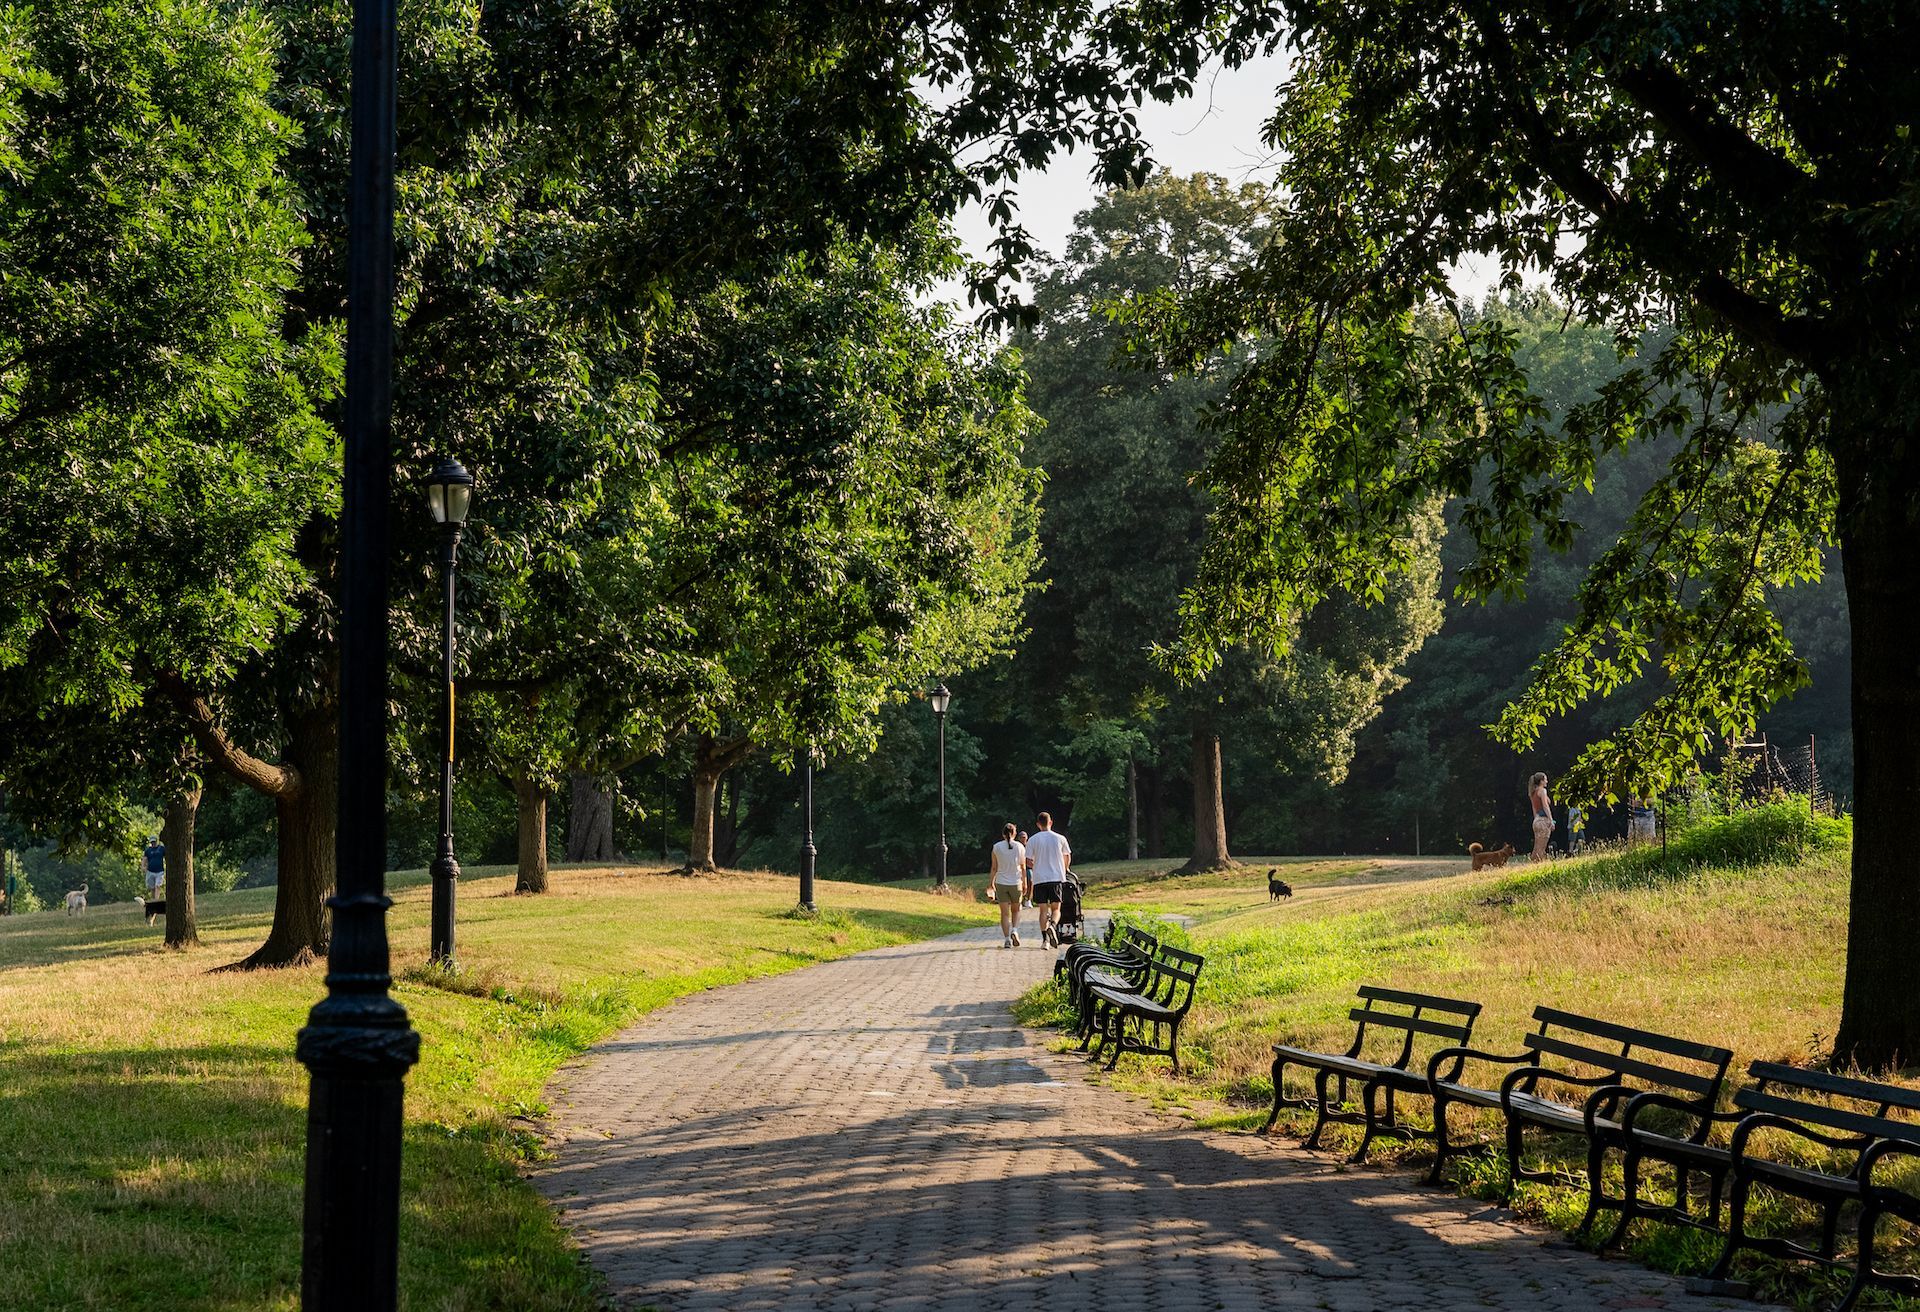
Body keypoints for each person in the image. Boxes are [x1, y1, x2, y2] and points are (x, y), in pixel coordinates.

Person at [1025, 811, 1072, 947]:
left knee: (1043, 911)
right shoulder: (1060, 838)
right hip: (1056, 877)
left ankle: (1045, 940)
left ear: (1038, 824)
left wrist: (1036, 866)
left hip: (1039, 879)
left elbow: (1028, 861)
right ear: (1050, 822)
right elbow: (1067, 856)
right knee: (1056, 909)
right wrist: (1064, 869)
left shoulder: (1032, 840)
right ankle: (1052, 925)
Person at [986, 824, 1026, 948]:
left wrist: (991, 883)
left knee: (1004, 913)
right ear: (1014, 833)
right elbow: (1023, 867)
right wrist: (1025, 883)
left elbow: (994, 867)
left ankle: (1007, 939)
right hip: (1016, 882)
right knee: (1016, 910)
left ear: (1003, 834)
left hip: (1001, 882)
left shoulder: (996, 847)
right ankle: (1014, 930)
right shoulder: (1020, 847)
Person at [1528, 772, 1553, 862]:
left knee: (1536, 846)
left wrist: (1536, 819)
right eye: (1545, 779)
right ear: (1541, 781)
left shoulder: (1533, 792)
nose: (1547, 781)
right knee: (1541, 847)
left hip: (1537, 820)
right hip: (1543, 820)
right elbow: (1545, 806)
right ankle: (1539, 865)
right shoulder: (1542, 791)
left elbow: (1534, 808)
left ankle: (1532, 864)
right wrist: (1551, 820)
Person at [143, 836, 166, 900]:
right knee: (152, 887)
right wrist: (143, 866)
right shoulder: (148, 850)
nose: (153, 843)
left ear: (157, 841)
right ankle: (153, 899)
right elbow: (145, 858)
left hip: (159, 871)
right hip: (150, 871)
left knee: (157, 886)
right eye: (152, 842)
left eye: (154, 842)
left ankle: (156, 899)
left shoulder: (161, 849)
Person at [1016, 829, 1033, 908]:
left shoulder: (1029, 847)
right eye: (1022, 837)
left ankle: (1028, 899)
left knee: (1030, 880)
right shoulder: (1016, 847)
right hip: (1018, 868)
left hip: (1028, 868)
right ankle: (1019, 900)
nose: (1023, 839)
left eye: (1024, 837)